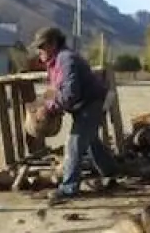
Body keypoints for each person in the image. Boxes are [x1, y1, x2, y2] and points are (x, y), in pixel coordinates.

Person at [31, 26, 119, 205]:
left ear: (54, 44)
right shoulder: (54, 63)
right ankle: (111, 171)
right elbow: (55, 89)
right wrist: (41, 104)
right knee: (90, 141)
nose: (39, 51)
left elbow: (70, 94)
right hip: (83, 104)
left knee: (74, 143)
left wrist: (49, 109)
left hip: (92, 103)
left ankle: (69, 188)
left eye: (42, 46)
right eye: (37, 47)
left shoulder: (66, 59)